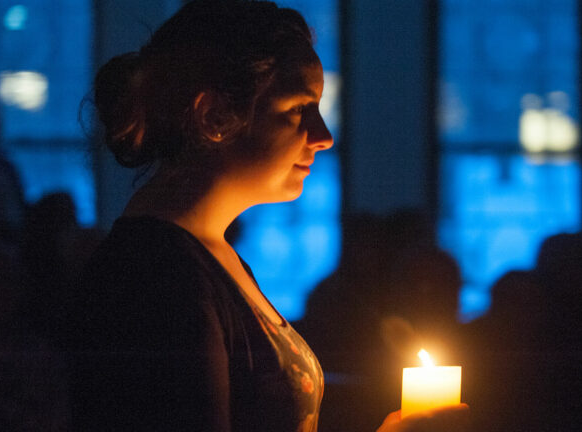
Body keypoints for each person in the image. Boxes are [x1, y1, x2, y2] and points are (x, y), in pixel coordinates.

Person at [70, 1, 468, 431]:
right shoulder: (154, 277)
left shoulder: (211, 260)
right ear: (214, 115)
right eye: (299, 109)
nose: (324, 137)